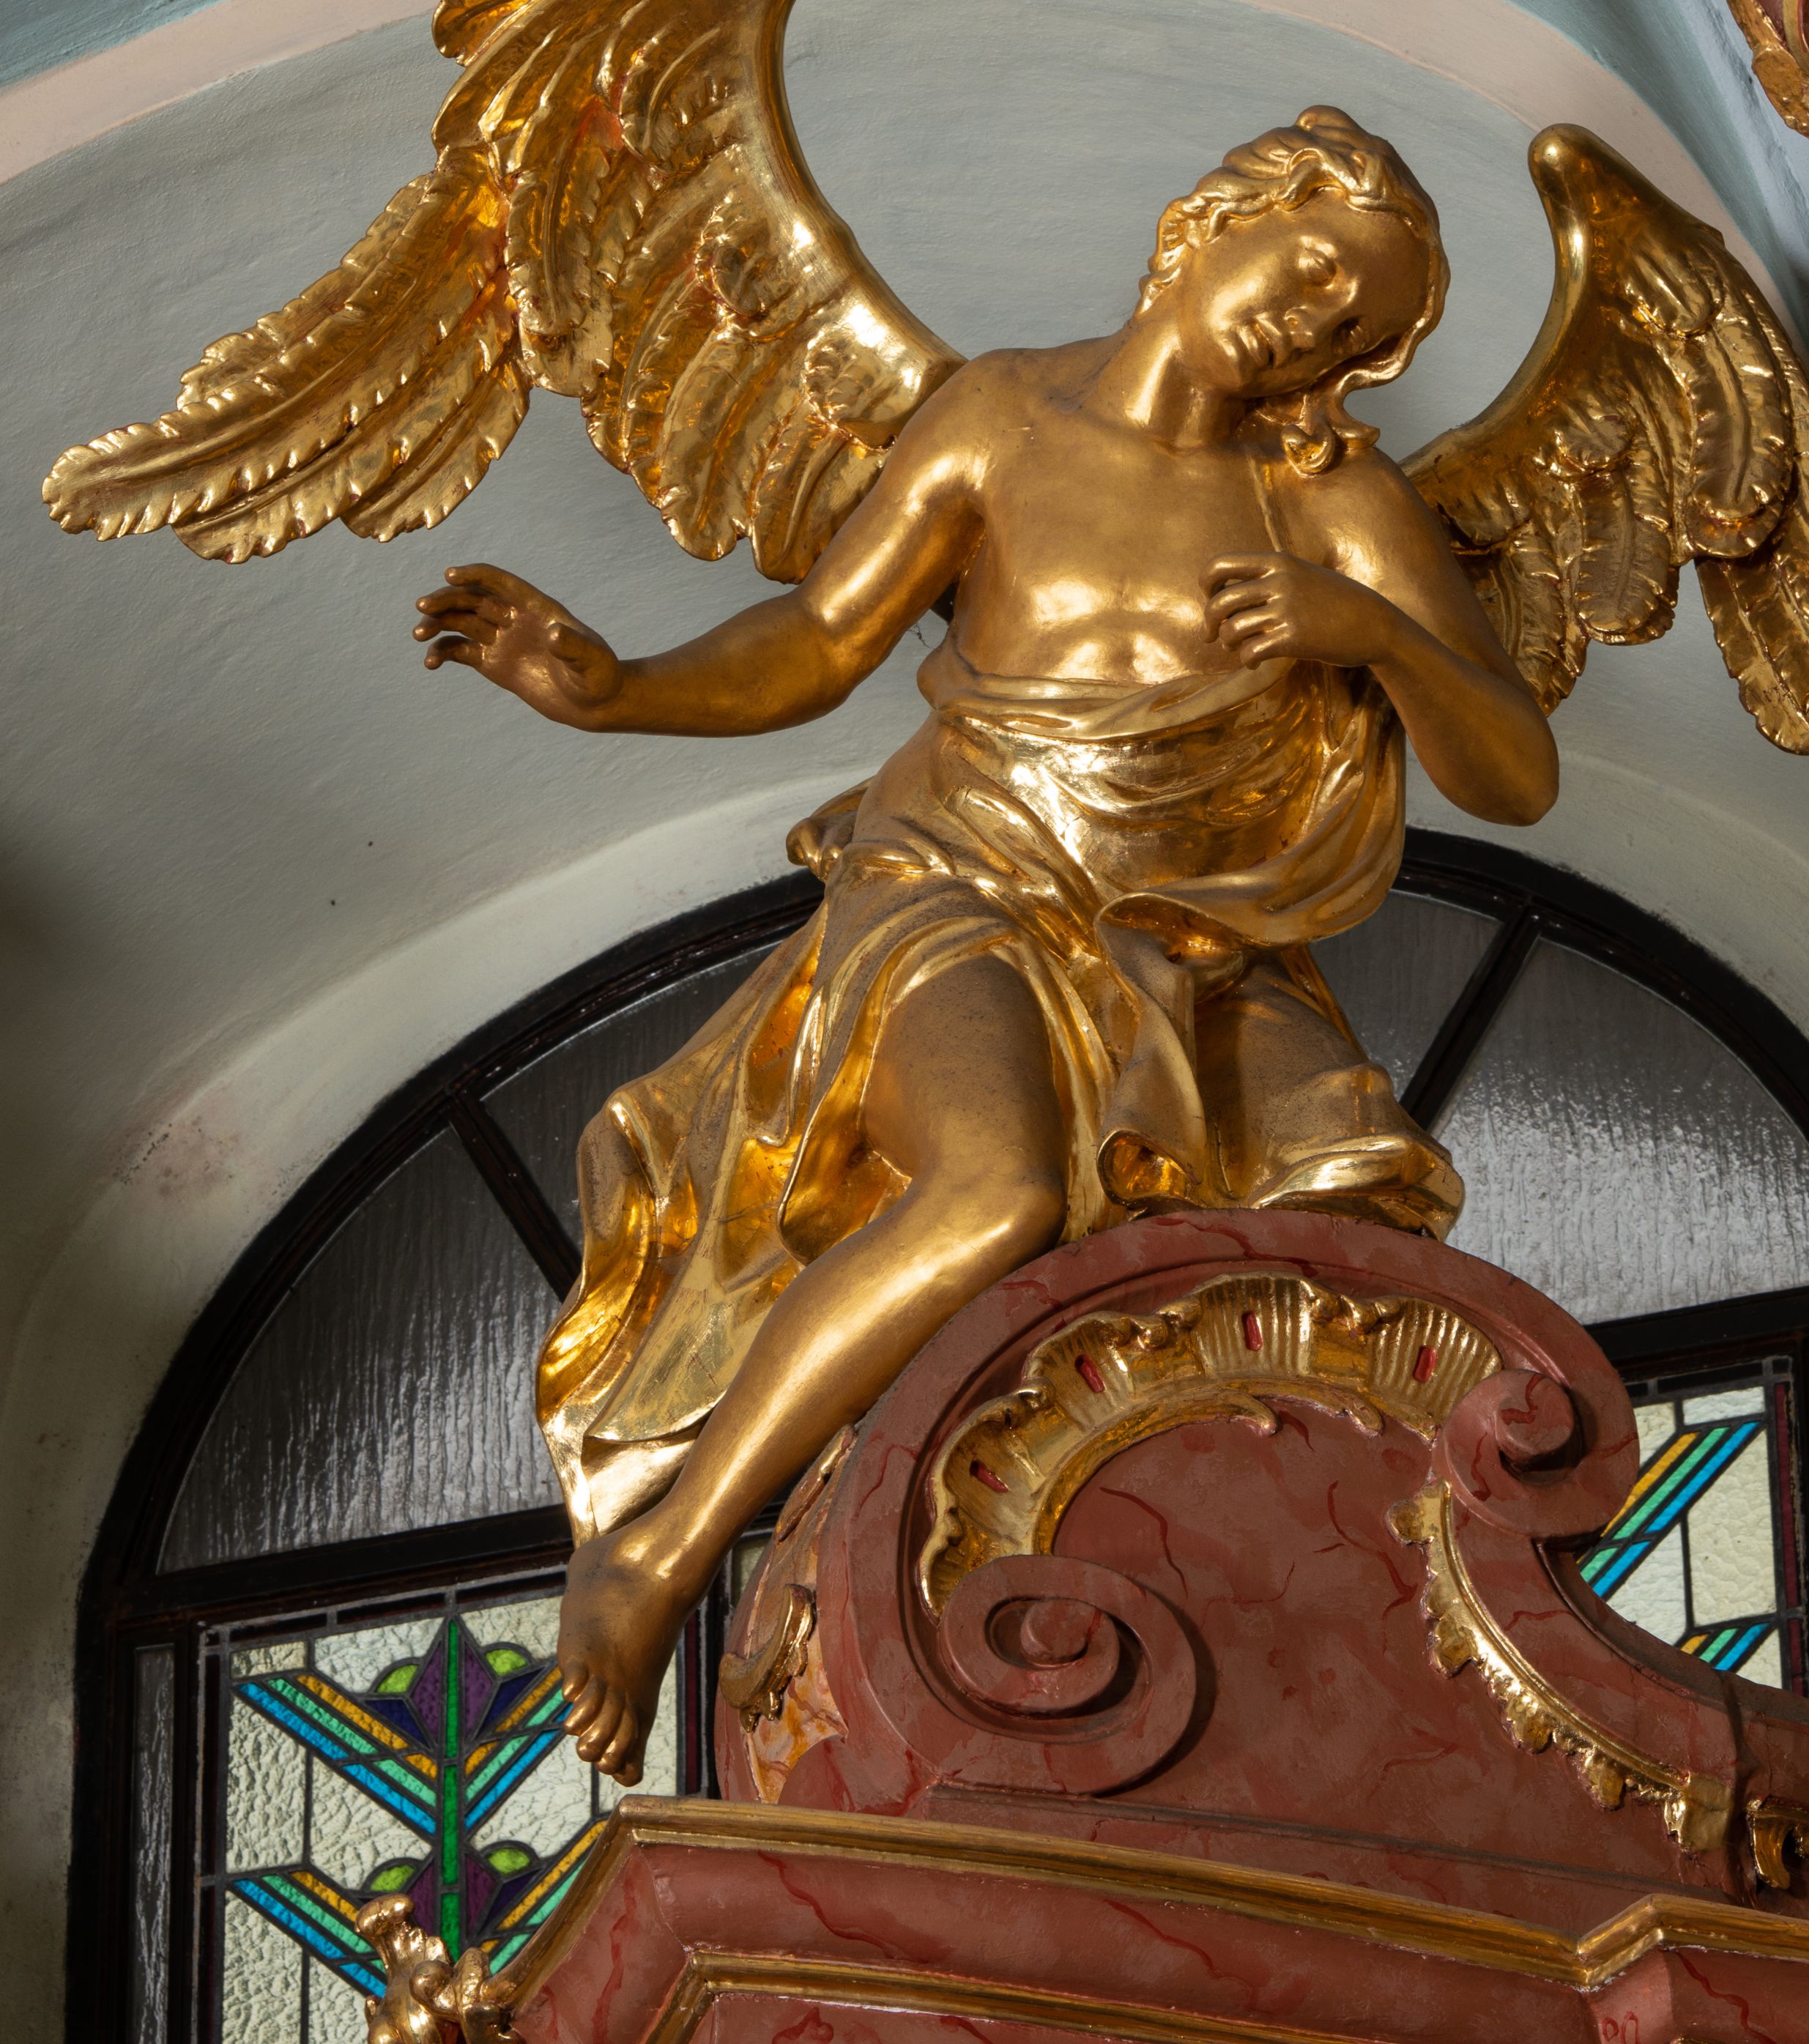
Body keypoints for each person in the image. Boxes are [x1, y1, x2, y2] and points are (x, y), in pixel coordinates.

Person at [413, 108, 1559, 1783]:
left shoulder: (1330, 497)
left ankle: (1295, 1626)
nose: (1311, 322)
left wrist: (1373, 630)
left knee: (1339, 1238)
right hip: (960, 872)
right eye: (1311, 268)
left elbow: (1513, 774)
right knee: (997, 1189)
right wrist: (619, 693)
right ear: (1211, 222)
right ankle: (657, 1555)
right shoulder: (1003, 415)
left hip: (1187, 945)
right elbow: (823, 639)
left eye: (1350, 326)